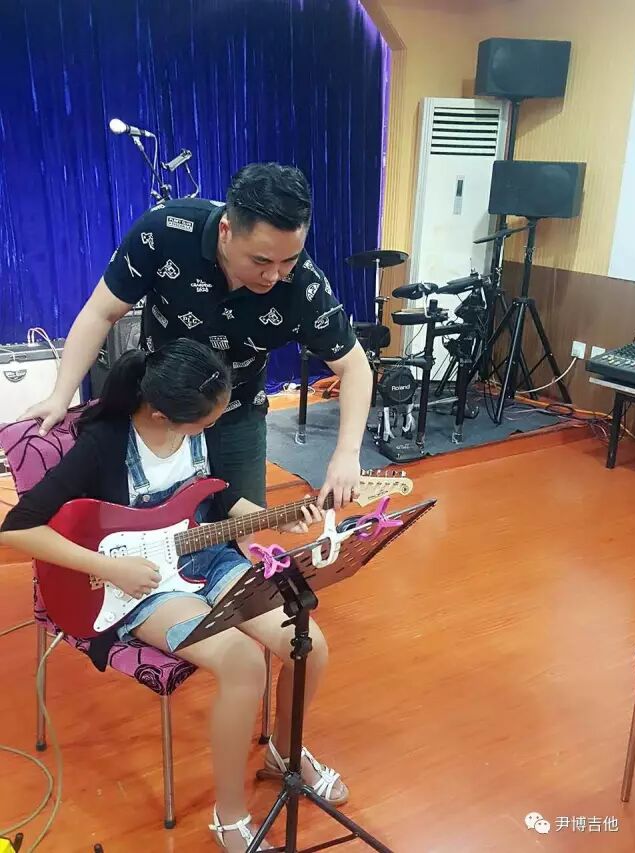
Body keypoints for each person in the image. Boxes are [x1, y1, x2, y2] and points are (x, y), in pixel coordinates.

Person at [0, 339, 348, 852]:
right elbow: (17, 529)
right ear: (162, 413)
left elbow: (219, 498)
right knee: (241, 663)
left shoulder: (196, 428)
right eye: (206, 421)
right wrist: (110, 568)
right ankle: (229, 818)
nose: (212, 426)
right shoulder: (104, 445)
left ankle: (284, 751)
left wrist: (274, 517)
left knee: (308, 643)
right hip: (139, 583)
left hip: (206, 559)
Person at [21, 162, 373, 516]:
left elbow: (355, 367)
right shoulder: (165, 232)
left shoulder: (303, 286)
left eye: (289, 260)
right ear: (226, 230)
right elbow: (101, 312)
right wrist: (60, 395)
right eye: (261, 260)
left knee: (244, 526)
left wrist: (347, 453)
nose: (274, 275)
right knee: (141, 521)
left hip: (237, 408)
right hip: (164, 406)